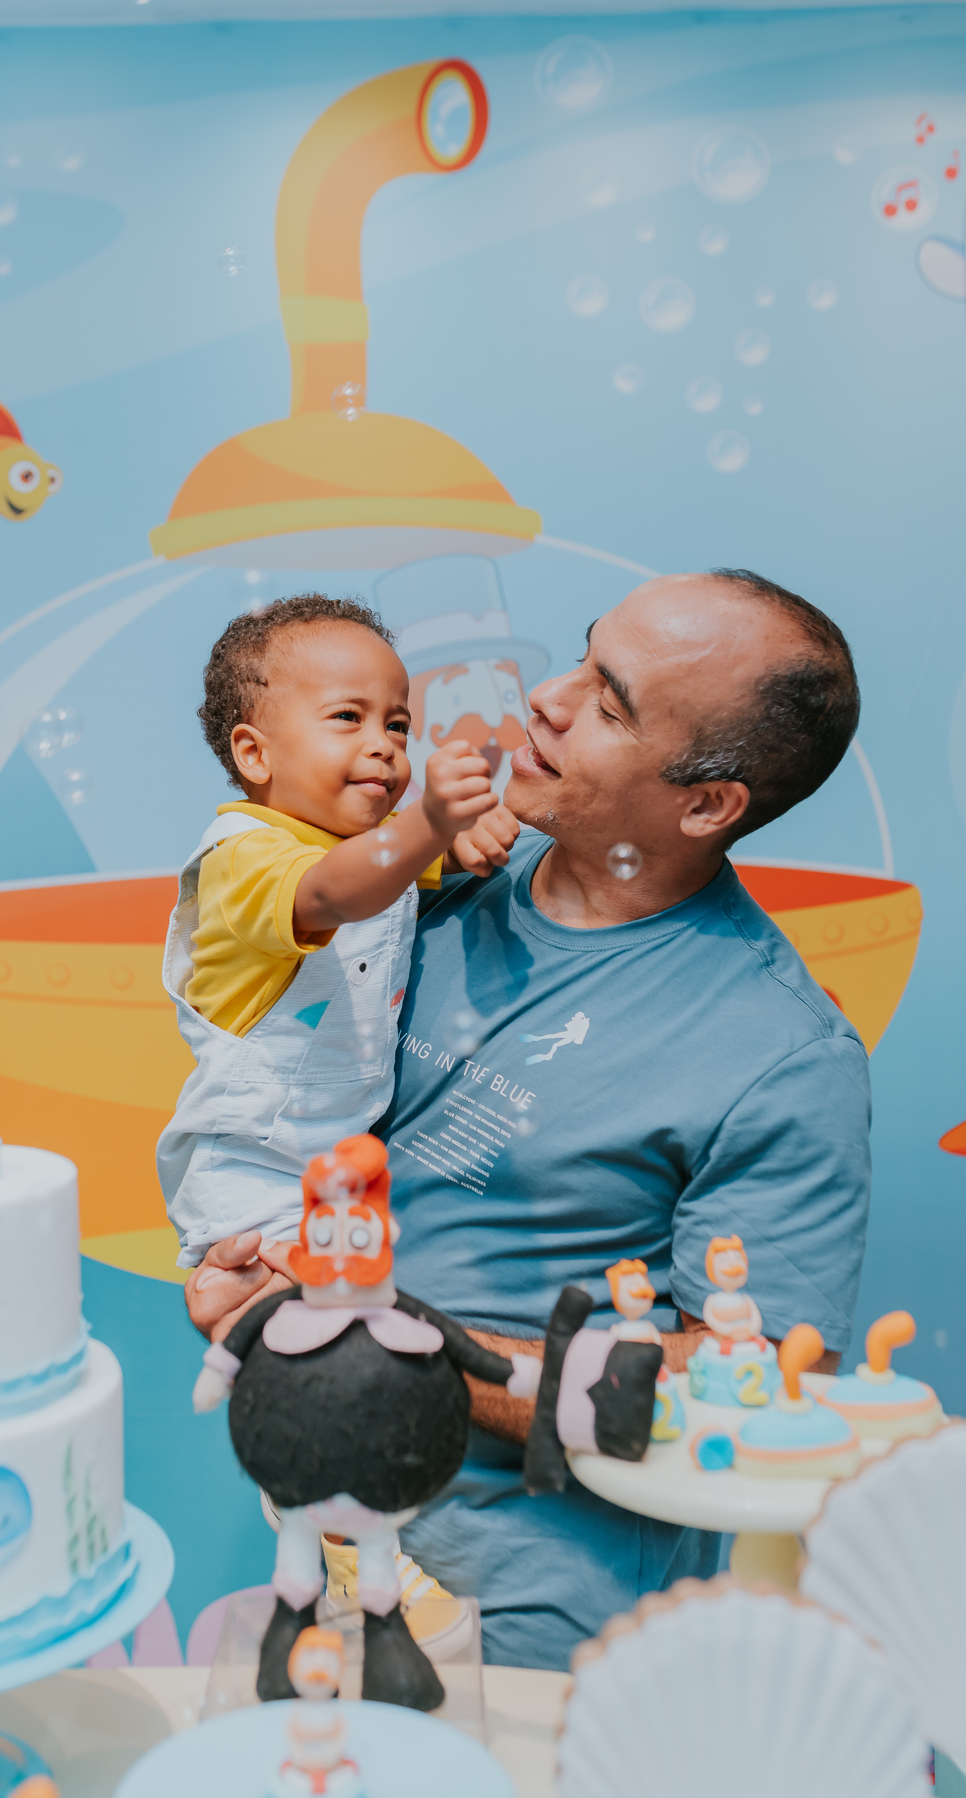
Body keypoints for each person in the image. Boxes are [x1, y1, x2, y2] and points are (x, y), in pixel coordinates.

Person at [185, 568, 871, 1670]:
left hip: (538, 1624)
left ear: (707, 804)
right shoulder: (419, 898)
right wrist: (260, 1304)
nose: (547, 697)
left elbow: (753, 1384)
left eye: (611, 702)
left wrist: (389, 1351)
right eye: (584, 656)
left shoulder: (781, 1053)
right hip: (322, 1549)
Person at [159, 590, 515, 1270]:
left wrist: (471, 835)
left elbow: (412, 860)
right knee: (291, 1324)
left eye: (399, 725)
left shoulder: (384, 841)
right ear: (255, 756)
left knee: (354, 1313)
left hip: (341, 1156)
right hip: (249, 1163)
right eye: (348, 718)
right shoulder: (242, 855)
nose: (383, 744)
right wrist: (429, 824)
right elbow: (331, 890)